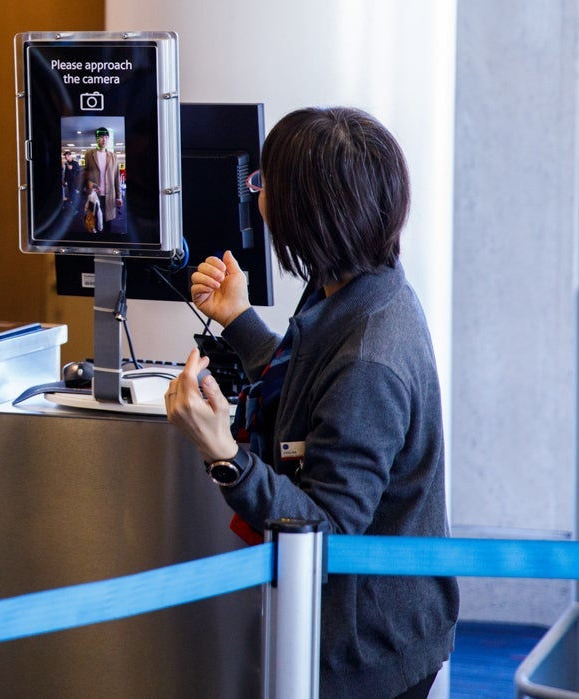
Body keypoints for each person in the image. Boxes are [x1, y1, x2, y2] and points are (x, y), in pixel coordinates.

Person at [162, 106, 457, 699]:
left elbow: (328, 531)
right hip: (370, 624)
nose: (258, 197)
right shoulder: (357, 285)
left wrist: (224, 454)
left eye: (265, 183)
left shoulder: (371, 355)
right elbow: (310, 385)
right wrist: (242, 325)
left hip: (367, 647)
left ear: (305, 212)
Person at [81, 127, 118, 229]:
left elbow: (116, 178)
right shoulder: (89, 155)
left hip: (109, 195)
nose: (104, 140)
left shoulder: (113, 156)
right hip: (94, 195)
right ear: (96, 139)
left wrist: (118, 196)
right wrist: (88, 184)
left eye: (106, 137)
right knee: (93, 222)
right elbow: (86, 173)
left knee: (108, 223)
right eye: (101, 137)